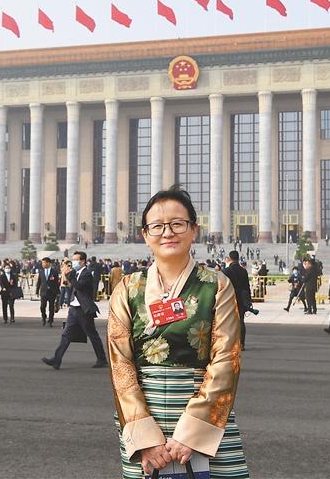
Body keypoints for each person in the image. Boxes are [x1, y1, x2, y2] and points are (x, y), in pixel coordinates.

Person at [106, 186, 248, 478]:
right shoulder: (128, 288)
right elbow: (120, 365)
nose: (167, 232)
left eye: (177, 224)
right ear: (145, 234)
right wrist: (145, 438)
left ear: (194, 229)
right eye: (157, 226)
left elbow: (227, 358)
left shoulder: (217, 285)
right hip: (144, 416)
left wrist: (192, 432)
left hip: (205, 415)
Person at [41, 251, 108, 370]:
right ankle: (56, 359)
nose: (74, 262)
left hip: (83, 309)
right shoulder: (76, 273)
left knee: (92, 334)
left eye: (76, 260)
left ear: (82, 261)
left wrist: (70, 274)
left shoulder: (87, 274)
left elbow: (79, 286)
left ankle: (102, 359)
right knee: (66, 335)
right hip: (74, 308)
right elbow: (72, 287)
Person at [223, 250, 253, 350]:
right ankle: (241, 343)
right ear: (238, 258)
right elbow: (247, 286)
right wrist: (248, 300)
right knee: (241, 321)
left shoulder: (226, 271)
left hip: (229, 298)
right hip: (241, 299)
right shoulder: (243, 271)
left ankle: (230, 343)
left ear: (229, 258)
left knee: (228, 322)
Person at [36, 257, 59, 327]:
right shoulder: (41, 271)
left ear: (48, 263)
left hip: (52, 292)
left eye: (44, 263)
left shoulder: (54, 272)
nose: (42, 264)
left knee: (51, 307)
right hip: (43, 292)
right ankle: (44, 317)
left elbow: (56, 283)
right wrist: (37, 291)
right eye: (42, 263)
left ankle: (50, 320)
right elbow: (39, 282)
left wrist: (58, 292)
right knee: (42, 306)